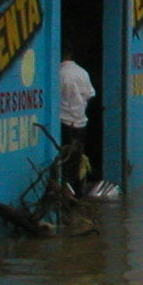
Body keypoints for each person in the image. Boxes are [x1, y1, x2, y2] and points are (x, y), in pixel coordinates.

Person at [58, 43, 95, 191]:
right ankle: (78, 190)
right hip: (80, 122)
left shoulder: (58, 73)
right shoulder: (82, 72)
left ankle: (67, 191)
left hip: (63, 122)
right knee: (78, 160)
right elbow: (90, 95)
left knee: (63, 161)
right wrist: (79, 109)